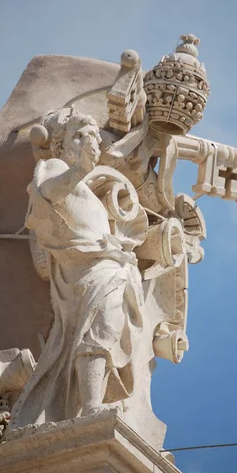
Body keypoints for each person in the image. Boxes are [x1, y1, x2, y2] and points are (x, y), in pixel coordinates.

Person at [10, 110, 144, 428]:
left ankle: (89, 402)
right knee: (98, 332)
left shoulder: (90, 193)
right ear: (61, 143)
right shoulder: (56, 168)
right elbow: (48, 192)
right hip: (89, 273)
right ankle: (92, 407)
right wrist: (79, 168)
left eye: (91, 137)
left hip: (108, 270)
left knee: (105, 332)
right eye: (78, 136)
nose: (88, 142)